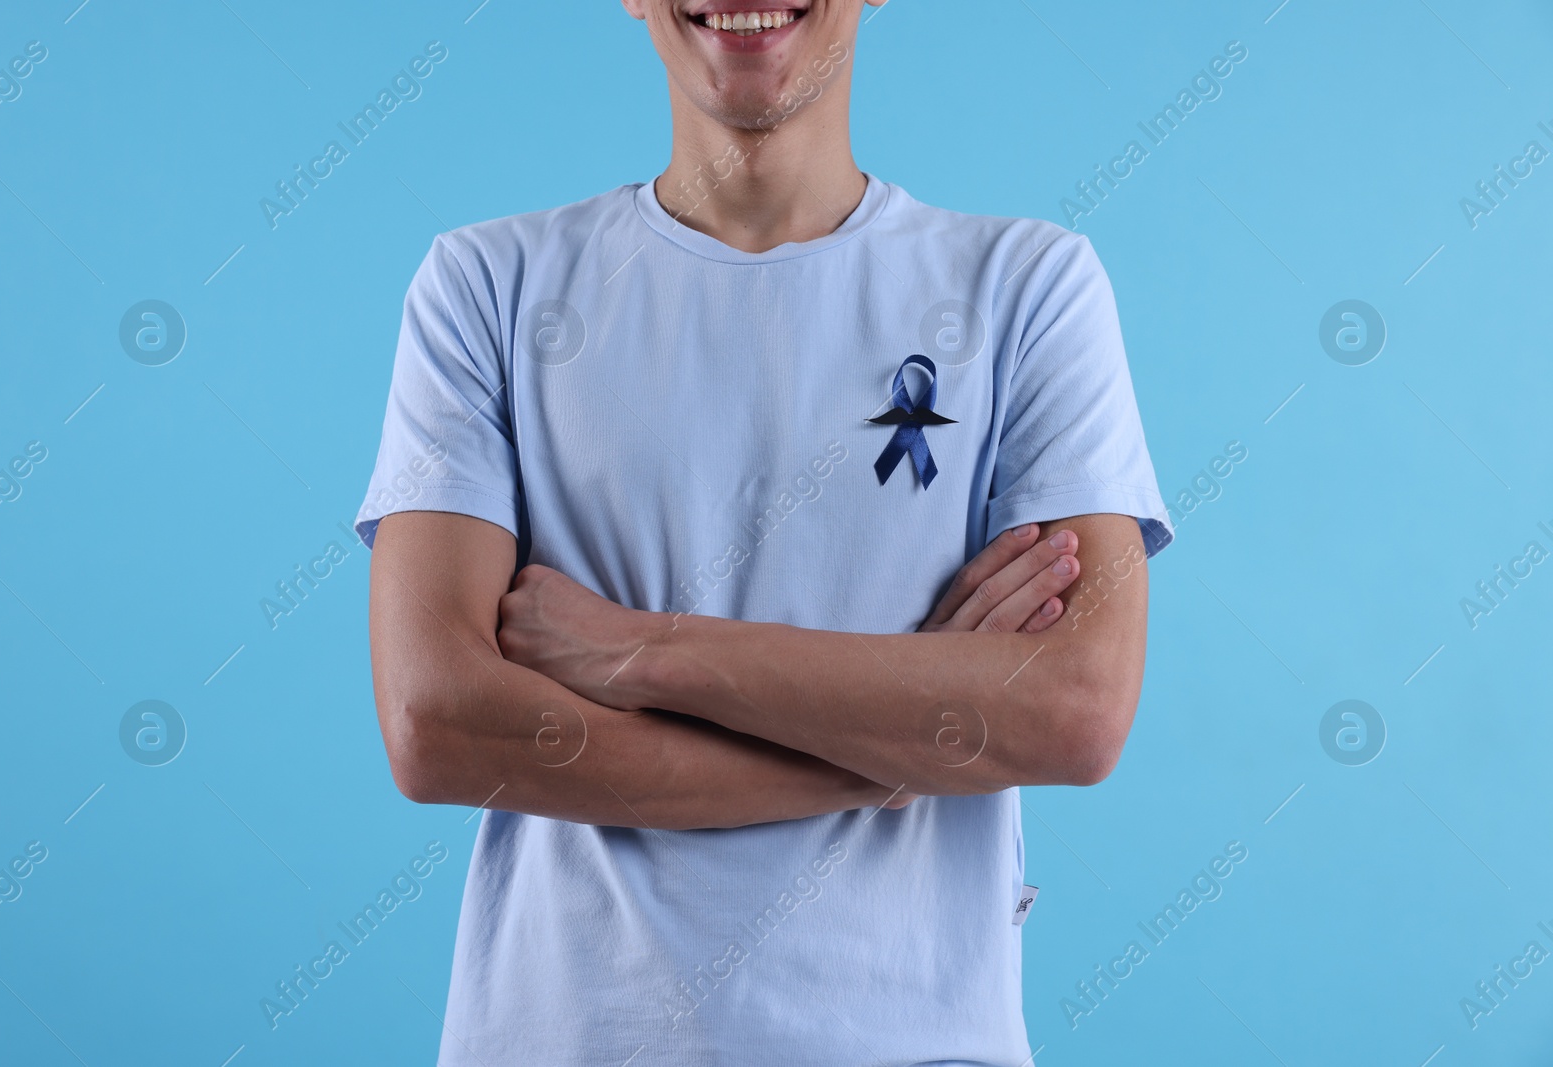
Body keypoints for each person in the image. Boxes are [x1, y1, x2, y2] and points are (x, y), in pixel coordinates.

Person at [354, 2, 1172, 1063]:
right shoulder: (484, 289)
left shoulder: (1028, 290)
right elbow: (438, 724)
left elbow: (1073, 711)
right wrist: (908, 741)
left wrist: (640, 650)